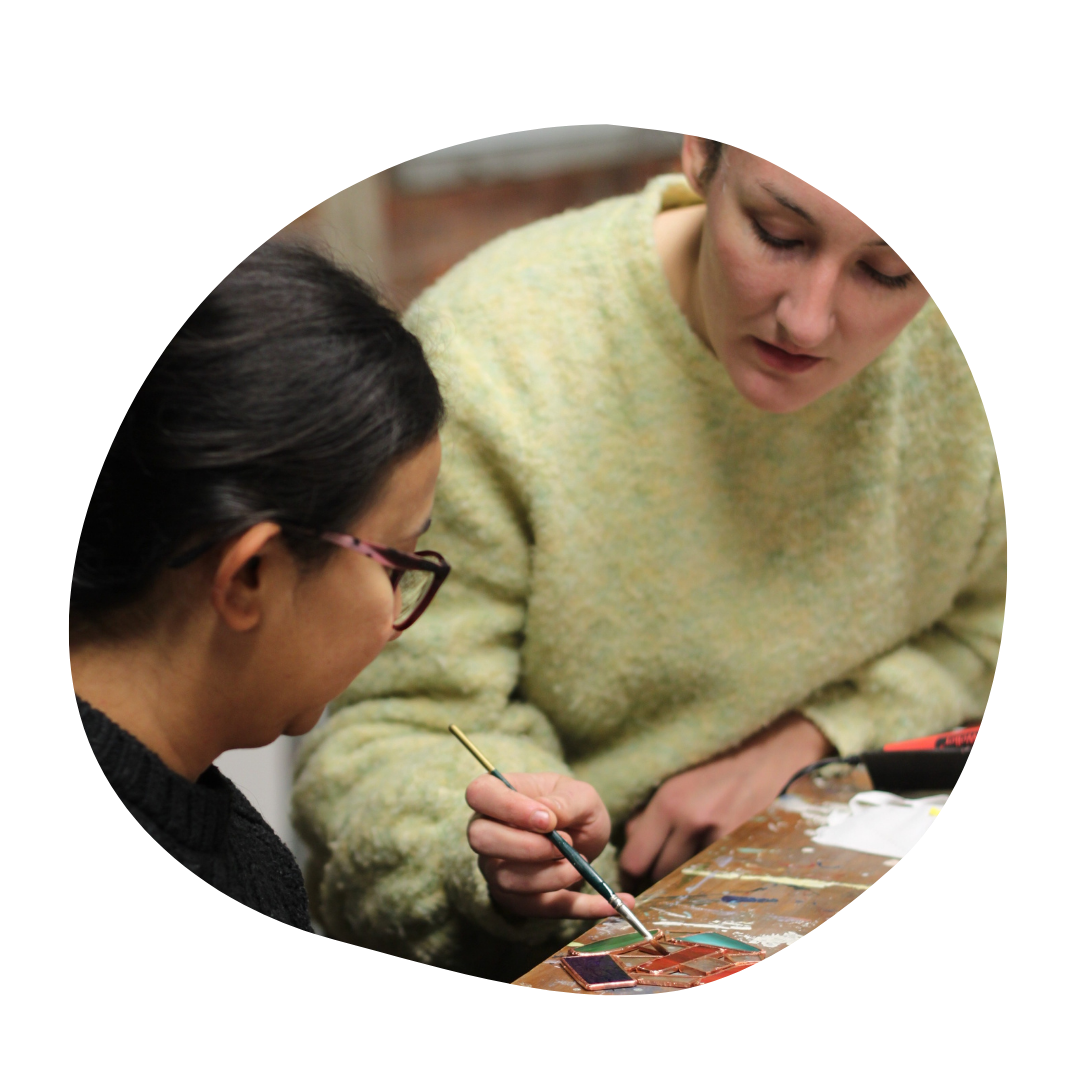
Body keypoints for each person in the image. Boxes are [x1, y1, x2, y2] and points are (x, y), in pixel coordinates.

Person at [293, 138, 1005, 979]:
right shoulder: (494, 356)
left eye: (888, 272)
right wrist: (504, 857)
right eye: (778, 233)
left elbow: (982, 627)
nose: (808, 320)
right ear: (699, 155)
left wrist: (818, 742)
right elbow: (384, 738)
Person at [70, 243, 446, 933]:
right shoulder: (243, 874)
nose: (394, 621)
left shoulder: (232, 843)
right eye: (394, 563)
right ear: (251, 574)